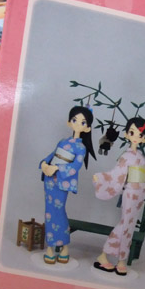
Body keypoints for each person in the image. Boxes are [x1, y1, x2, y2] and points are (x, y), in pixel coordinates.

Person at [92, 117, 145, 276]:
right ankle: (107, 256)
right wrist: (101, 177)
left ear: (144, 138)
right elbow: (116, 174)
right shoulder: (126, 156)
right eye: (132, 132)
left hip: (140, 194)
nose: (136, 137)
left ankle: (120, 260)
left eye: (140, 134)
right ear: (126, 134)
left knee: (129, 226)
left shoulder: (141, 157)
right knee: (125, 224)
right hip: (130, 193)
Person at [40, 106, 96, 264]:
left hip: (61, 180)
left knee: (58, 212)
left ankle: (62, 246)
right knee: (49, 212)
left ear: (87, 128)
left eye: (82, 122)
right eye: (75, 120)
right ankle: (52, 248)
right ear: (69, 122)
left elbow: (75, 166)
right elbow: (52, 155)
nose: (78, 124)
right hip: (50, 179)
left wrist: (57, 168)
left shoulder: (81, 147)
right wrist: (44, 164)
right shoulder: (62, 142)